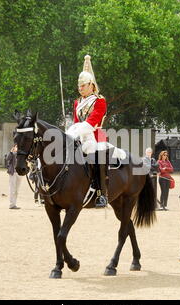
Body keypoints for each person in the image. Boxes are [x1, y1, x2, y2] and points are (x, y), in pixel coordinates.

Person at [66, 55, 108, 208]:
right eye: (79, 85)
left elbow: (93, 121)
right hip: (78, 134)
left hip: (94, 136)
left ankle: (100, 193)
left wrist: (75, 133)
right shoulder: (77, 102)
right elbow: (76, 122)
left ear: (91, 85)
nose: (80, 88)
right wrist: (69, 134)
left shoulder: (99, 101)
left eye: (83, 85)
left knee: (95, 156)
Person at [7, 144, 21, 209]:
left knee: (16, 190)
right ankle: (11, 204)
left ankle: (14, 203)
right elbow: (7, 158)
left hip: (19, 173)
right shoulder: (12, 154)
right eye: (16, 146)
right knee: (12, 188)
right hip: (13, 173)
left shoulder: (22, 154)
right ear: (14, 147)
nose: (17, 148)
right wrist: (11, 152)